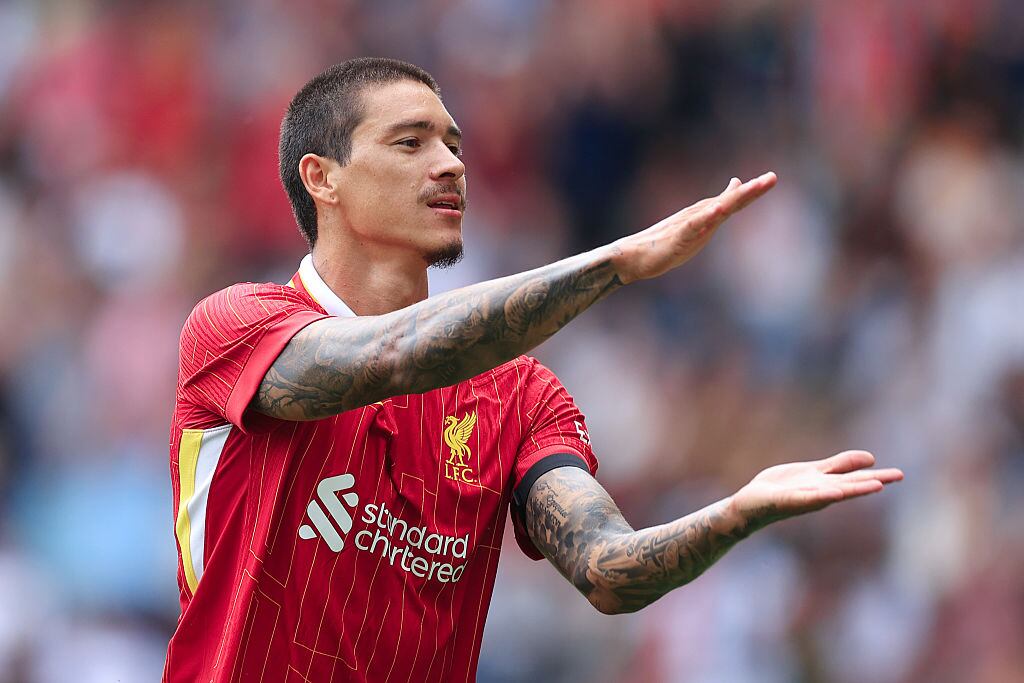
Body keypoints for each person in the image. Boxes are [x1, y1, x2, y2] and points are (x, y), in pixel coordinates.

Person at [163, 57, 902, 682]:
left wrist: (737, 513)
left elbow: (609, 569)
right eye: (411, 142)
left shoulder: (519, 396)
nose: (450, 163)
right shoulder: (236, 328)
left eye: (453, 143)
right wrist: (614, 263)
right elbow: (392, 355)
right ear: (322, 178)